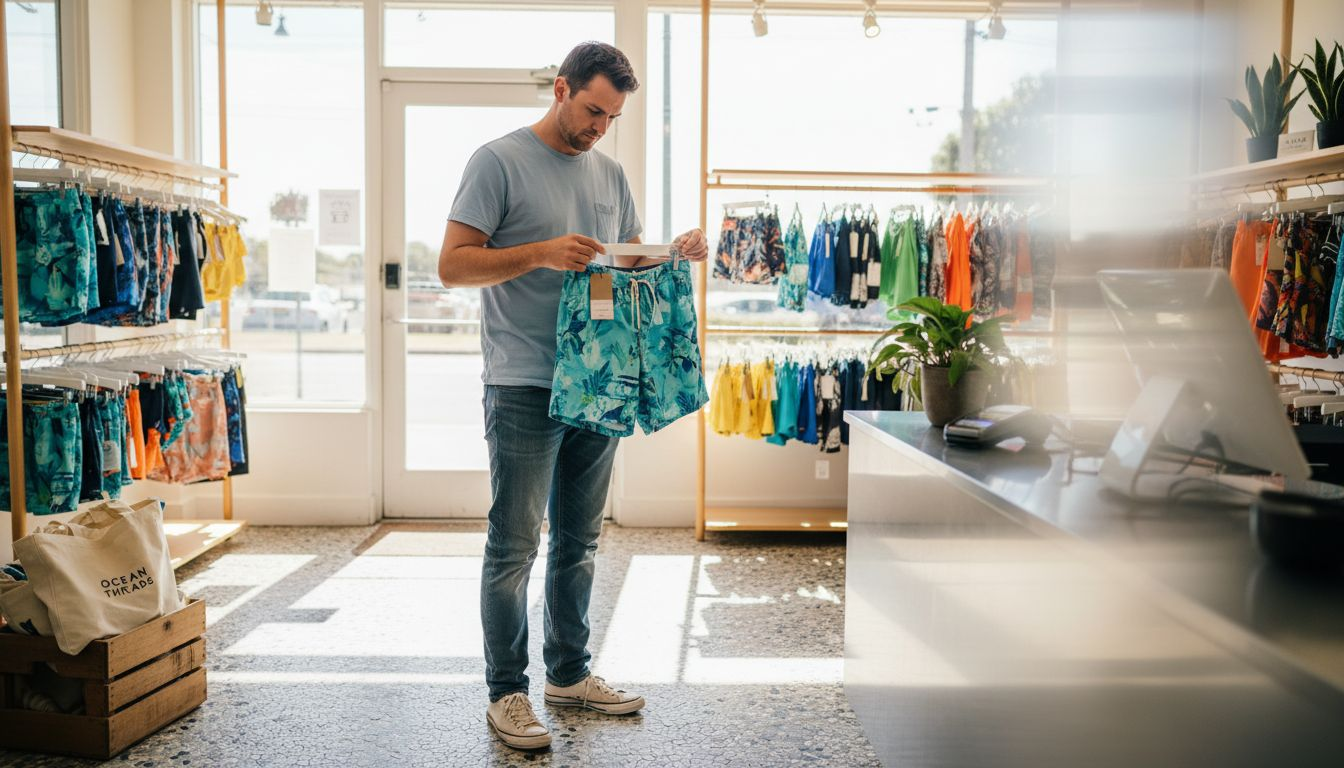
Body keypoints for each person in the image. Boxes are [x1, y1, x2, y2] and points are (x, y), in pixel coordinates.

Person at [438, 41, 709, 751]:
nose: (599, 127)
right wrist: (539, 252)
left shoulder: (610, 172)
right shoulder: (496, 162)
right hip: (525, 379)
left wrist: (673, 253)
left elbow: (626, 264)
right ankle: (507, 693)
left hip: (601, 375)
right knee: (515, 543)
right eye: (592, 110)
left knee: (581, 542)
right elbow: (452, 266)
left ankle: (568, 673)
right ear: (560, 89)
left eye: (612, 117)